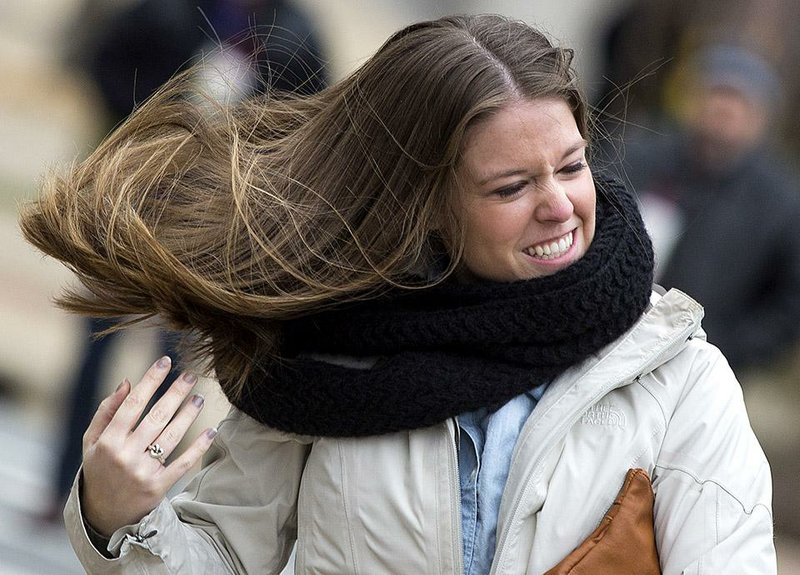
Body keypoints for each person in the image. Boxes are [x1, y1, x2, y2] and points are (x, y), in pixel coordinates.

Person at [19, 14, 775, 574]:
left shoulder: (680, 380)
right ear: (427, 200)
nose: (558, 205)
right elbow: (221, 554)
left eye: (571, 166)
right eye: (511, 185)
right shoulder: (326, 358)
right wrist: (116, 516)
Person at [41, 0, 329, 524]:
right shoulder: (168, 9)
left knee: (172, 369)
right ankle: (62, 487)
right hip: (133, 208)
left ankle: (140, 504)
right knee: (94, 349)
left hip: (210, 227)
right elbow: (104, 59)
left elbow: (315, 126)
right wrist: (143, 125)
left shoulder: (296, 32)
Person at [623, 44, 800, 374]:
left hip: (706, 364)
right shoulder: (639, 157)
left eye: (739, 105)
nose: (723, 115)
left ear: (761, 119)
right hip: (617, 338)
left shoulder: (780, 200)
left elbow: (790, 302)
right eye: (716, 97)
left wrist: (729, 349)